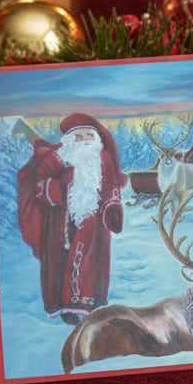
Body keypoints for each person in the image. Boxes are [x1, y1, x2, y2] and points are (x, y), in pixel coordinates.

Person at [17, 112, 127, 324]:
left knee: (92, 262)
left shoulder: (102, 157)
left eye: (89, 136)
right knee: (60, 263)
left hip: (95, 222)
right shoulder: (57, 158)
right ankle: (65, 308)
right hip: (60, 221)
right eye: (80, 136)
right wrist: (59, 187)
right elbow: (41, 185)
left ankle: (90, 304)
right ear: (69, 139)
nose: (85, 141)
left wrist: (113, 207)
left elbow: (112, 185)